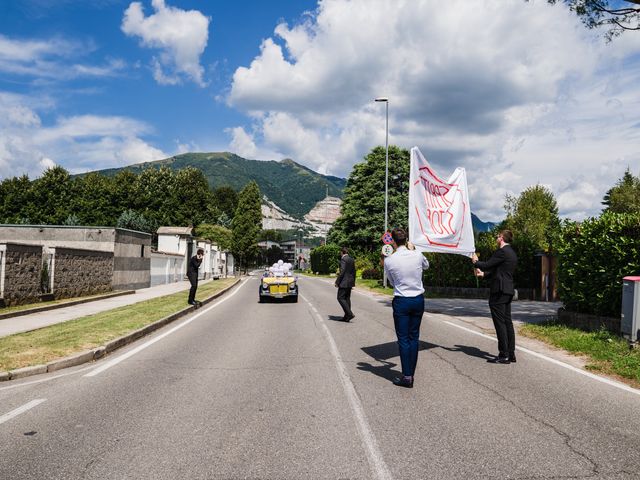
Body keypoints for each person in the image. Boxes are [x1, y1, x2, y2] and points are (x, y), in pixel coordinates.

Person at [383, 228, 430, 388]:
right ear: (407, 240)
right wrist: (414, 250)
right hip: (418, 299)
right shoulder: (417, 254)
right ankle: (411, 373)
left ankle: (407, 375)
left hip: (402, 300)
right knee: (414, 337)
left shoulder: (390, 260)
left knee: (403, 339)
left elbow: (391, 281)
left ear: (393, 242)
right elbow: (427, 266)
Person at [472, 230, 518, 364]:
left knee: (500, 323)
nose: (496, 238)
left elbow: (487, 264)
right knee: (507, 322)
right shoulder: (511, 253)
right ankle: (511, 354)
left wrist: (476, 262)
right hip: (508, 290)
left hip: (499, 291)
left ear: (502, 238)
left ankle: (503, 354)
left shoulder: (502, 252)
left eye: (498, 236)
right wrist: (484, 275)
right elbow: (499, 270)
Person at [335, 247, 356, 321]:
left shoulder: (343, 259)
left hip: (344, 282)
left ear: (342, 252)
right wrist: (353, 282)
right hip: (350, 282)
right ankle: (347, 317)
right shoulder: (351, 259)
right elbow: (354, 272)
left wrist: (337, 282)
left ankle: (350, 314)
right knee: (347, 298)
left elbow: (342, 271)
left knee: (340, 298)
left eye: (340, 252)